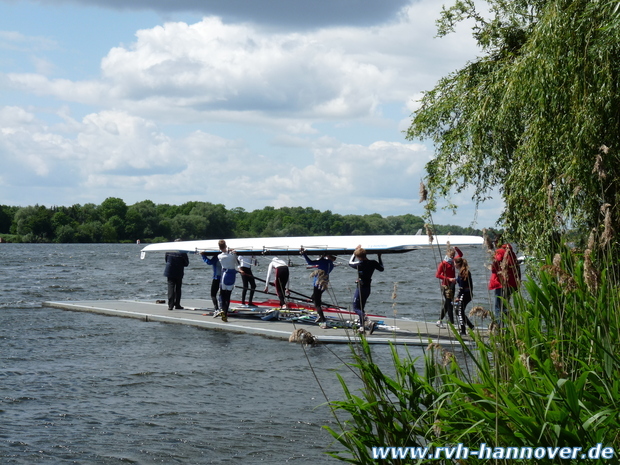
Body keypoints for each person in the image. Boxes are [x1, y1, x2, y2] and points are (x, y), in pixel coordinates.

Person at [348, 246, 384, 334]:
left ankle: (369, 322)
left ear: (359, 257)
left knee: (356, 308)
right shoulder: (373, 262)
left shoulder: (359, 264)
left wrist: (354, 253)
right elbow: (381, 268)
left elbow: (350, 263)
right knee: (361, 308)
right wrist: (379, 256)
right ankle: (362, 327)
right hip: (367, 288)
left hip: (360, 288)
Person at [301, 249, 336, 328]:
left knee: (317, 303)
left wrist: (304, 254)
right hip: (324, 283)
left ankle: (323, 320)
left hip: (318, 283)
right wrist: (322, 257)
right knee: (314, 297)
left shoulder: (323, 261)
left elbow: (310, 262)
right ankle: (320, 315)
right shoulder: (331, 264)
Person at [489, 243, 521, 324]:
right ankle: (512, 324)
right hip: (512, 284)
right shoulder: (512, 253)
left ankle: (499, 327)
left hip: (501, 283)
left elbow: (497, 262)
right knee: (506, 305)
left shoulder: (500, 251)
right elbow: (517, 268)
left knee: (498, 307)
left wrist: (493, 267)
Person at [435, 246, 463, 328]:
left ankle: (439, 320)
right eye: (451, 255)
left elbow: (461, 255)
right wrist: (448, 279)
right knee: (449, 304)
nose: (452, 257)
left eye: (453, 255)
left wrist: (457, 249)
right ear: (447, 254)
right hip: (445, 285)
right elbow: (437, 275)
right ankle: (452, 324)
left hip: (452, 285)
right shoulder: (443, 263)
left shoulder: (453, 261)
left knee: (447, 304)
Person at [163, 240, 189, 310]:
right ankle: (177, 304)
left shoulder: (168, 251)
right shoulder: (183, 252)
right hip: (178, 271)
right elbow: (186, 263)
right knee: (178, 288)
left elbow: (166, 260)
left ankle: (170, 305)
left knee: (170, 288)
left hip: (169, 271)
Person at [217, 240, 239, 322]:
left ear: (219, 247)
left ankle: (222, 309)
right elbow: (237, 263)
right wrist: (233, 253)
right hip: (232, 275)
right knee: (228, 296)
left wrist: (229, 251)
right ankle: (225, 314)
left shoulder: (219, 256)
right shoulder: (232, 256)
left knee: (222, 294)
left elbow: (224, 254)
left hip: (224, 276)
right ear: (226, 246)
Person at [453, 256, 475, 335]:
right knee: (459, 311)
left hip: (464, 294)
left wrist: (458, 297)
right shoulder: (465, 272)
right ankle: (470, 325)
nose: (454, 265)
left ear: (458, 264)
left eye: (454, 263)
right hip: (468, 294)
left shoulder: (462, 273)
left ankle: (463, 331)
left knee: (459, 311)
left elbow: (462, 287)